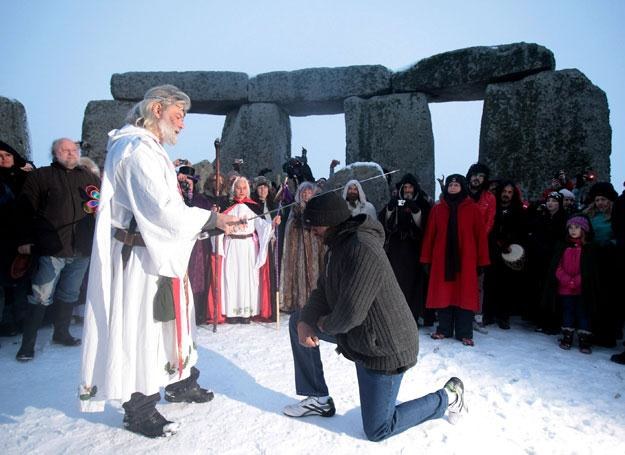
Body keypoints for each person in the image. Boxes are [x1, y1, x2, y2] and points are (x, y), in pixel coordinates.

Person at [79, 85, 240, 438]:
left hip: (158, 252)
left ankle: (180, 381)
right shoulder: (136, 150)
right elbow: (163, 211)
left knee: (176, 323)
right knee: (144, 329)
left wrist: (207, 223)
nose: (182, 125)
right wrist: (212, 221)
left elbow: (170, 212)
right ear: (155, 109)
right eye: (178, 115)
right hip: (141, 260)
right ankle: (139, 408)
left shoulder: (148, 148)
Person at [282, 191, 467, 442]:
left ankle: (449, 397)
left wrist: (321, 324)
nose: (311, 231)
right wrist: (307, 322)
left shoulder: (362, 248)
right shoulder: (335, 248)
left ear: (331, 221)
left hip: (385, 347)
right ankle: (318, 398)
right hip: (359, 336)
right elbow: (323, 290)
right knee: (297, 321)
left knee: (378, 429)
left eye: (314, 225)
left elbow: (350, 314)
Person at [14, 138, 100, 361]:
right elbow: (25, 209)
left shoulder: (88, 177)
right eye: (65, 150)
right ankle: (27, 345)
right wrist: (24, 239)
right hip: (52, 246)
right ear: (54, 153)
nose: (71, 153)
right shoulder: (41, 176)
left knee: (70, 293)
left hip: (81, 247)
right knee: (41, 295)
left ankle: (61, 333)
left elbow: (101, 206)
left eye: (74, 149)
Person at [421, 175, 490, 346]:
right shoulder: (438, 209)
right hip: (441, 259)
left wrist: (481, 262)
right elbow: (430, 235)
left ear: (463, 187)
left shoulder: (472, 209)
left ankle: (464, 332)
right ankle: (443, 329)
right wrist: (426, 259)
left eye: (456, 184)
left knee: (464, 295)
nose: (452, 187)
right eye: (450, 184)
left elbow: (480, 237)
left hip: (466, 260)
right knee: (443, 294)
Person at [212, 176, 275, 323]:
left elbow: (262, 226)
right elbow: (217, 224)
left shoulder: (253, 206)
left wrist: (272, 225)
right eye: (238, 188)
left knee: (247, 278)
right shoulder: (226, 205)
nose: (241, 191)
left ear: (248, 190)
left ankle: (246, 313)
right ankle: (232, 313)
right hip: (231, 246)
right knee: (231, 277)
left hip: (248, 247)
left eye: (244, 188)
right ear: (234, 189)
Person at [541, 215, 599, 354]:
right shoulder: (563, 246)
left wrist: (577, 280)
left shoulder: (588, 249)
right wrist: (566, 279)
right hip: (565, 287)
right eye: (571, 228)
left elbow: (589, 270)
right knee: (568, 311)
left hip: (581, 288)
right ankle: (567, 336)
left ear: (584, 230)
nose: (573, 230)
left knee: (582, 312)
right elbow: (557, 266)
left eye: (577, 227)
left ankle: (584, 339)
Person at [380, 173, 432, 326]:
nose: (408, 190)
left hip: (414, 249)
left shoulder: (422, 203)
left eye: (410, 187)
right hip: (396, 250)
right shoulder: (396, 202)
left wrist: (416, 212)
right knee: (395, 283)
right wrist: (390, 209)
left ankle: (412, 317)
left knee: (414, 285)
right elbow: (384, 222)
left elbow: (425, 226)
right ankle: (395, 317)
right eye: (405, 187)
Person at [483, 180, 528, 329]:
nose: (506, 195)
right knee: (490, 282)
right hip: (493, 249)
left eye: (509, 192)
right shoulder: (493, 207)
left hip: (509, 250)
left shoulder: (518, 210)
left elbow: (521, 230)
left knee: (507, 285)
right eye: (504, 192)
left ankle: (504, 316)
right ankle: (488, 314)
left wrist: (508, 242)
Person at [0, 140, 34, 340]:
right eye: (0, 156)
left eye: (8, 155)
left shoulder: (26, 178)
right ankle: (6, 322)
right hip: (2, 240)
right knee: (4, 285)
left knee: (21, 279)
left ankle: (20, 320)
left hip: (22, 239)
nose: (4, 159)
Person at [280, 181, 325, 313]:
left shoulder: (317, 207)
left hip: (315, 247)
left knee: (315, 273)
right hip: (299, 247)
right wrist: (297, 223)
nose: (306, 195)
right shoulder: (294, 209)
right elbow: (289, 227)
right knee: (300, 274)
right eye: (303, 192)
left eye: (309, 192)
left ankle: (315, 303)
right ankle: (300, 302)